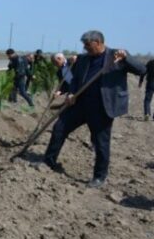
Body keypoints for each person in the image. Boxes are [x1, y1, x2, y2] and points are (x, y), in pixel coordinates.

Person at [42, 30, 145, 188]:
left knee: (100, 143)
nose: (86, 49)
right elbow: (76, 79)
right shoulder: (83, 59)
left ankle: (99, 177)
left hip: (102, 107)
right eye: (84, 46)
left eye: (88, 45)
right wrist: (72, 94)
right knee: (59, 128)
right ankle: (49, 162)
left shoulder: (116, 56)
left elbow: (141, 70)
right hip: (81, 104)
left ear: (98, 42)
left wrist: (127, 57)